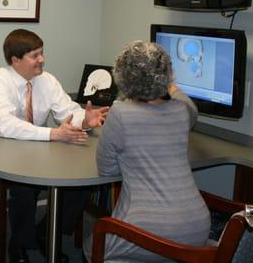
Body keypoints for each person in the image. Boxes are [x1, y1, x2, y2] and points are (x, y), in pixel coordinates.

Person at [0, 29, 108, 263]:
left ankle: (47, 233)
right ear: (15, 60)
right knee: (24, 188)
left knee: (80, 183)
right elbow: (4, 126)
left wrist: (84, 121)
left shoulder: (46, 80)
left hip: (35, 148)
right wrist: (53, 134)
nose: (42, 60)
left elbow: (67, 112)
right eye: (35, 56)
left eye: (42, 53)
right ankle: (20, 245)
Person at [83, 41, 211, 262]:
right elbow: (191, 109)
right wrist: (169, 84)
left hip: (144, 232)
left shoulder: (121, 113)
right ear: (168, 75)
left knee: (91, 246)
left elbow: (106, 170)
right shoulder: (182, 112)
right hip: (197, 229)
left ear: (122, 78)